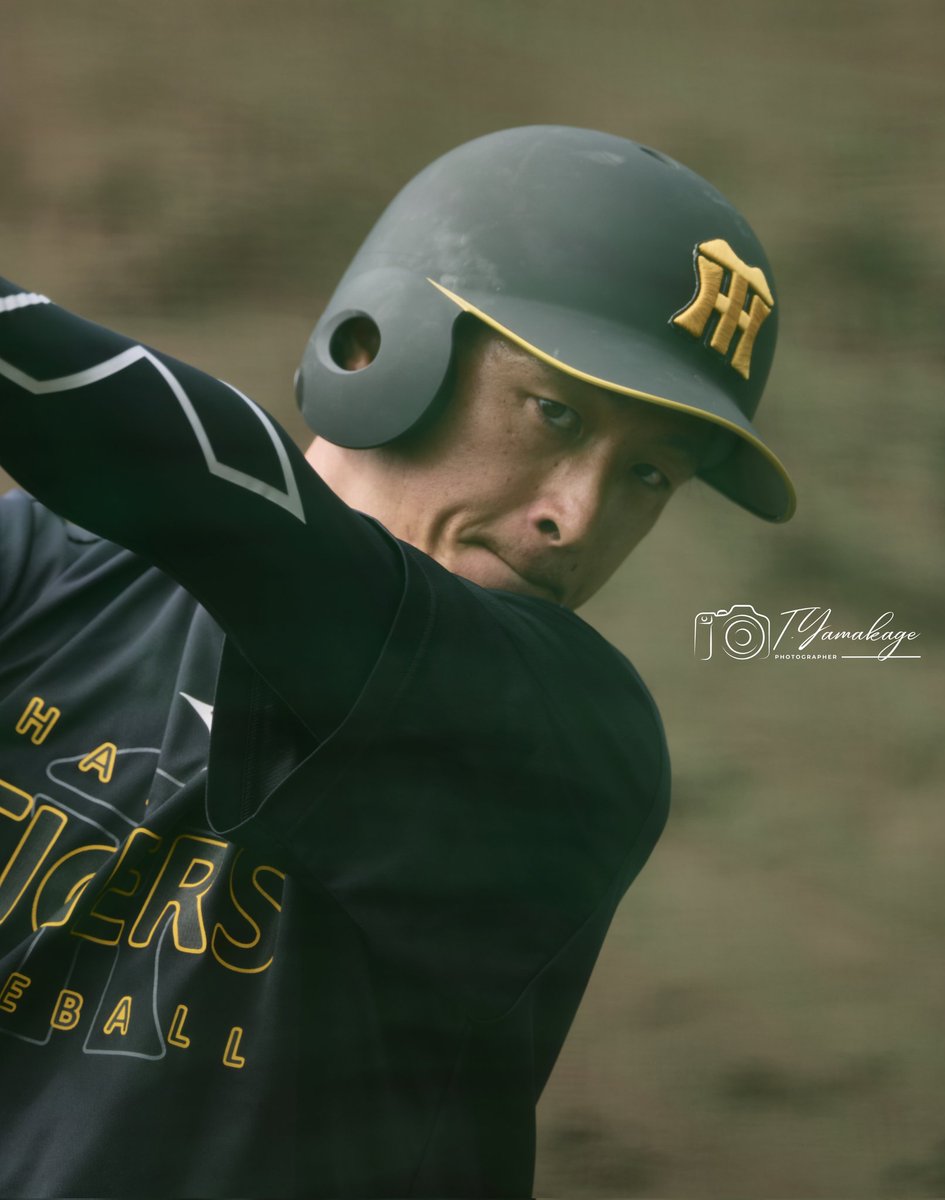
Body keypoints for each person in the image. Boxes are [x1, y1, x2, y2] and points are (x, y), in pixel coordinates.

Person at [0, 126, 794, 1198]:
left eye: (652, 477)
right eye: (554, 413)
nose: (580, 514)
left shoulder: (574, 748)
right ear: (376, 348)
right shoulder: (36, 578)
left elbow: (233, 511)